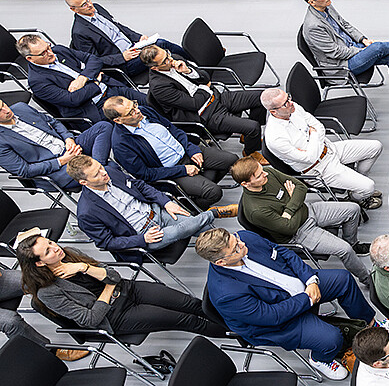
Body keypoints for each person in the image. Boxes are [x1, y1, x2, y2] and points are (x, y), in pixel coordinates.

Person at [196, 228, 378, 381]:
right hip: (276, 323)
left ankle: (368, 323)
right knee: (332, 339)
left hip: (301, 286)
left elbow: (283, 252)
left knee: (343, 279)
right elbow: (271, 316)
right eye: (235, 249)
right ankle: (320, 359)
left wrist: (310, 280)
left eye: (236, 239)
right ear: (220, 262)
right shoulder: (226, 293)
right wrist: (307, 298)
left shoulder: (244, 237)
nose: (242, 244)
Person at [15, 231, 225, 339]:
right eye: (48, 251)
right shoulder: (47, 292)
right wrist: (107, 288)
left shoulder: (70, 255)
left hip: (128, 289)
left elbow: (114, 275)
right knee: (186, 320)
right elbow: (89, 319)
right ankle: (236, 334)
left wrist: (83, 268)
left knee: (192, 304)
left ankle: (238, 322)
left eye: (51, 243)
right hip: (115, 315)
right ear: (39, 262)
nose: (56, 248)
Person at [231, 157, 371, 286]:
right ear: (245, 183)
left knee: (353, 209)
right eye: (259, 175)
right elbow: (290, 228)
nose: (265, 174)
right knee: (344, 250)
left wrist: (288, 210)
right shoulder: (256, 210)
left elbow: (301, 187)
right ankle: (367, 279)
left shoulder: (267, 172)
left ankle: (354, 244)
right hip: (299, 233)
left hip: (309, 210)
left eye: (262, 170)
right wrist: (293, 199)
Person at [66, 155, 227, 261]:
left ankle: (226, 252)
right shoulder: (87, 213)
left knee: (202, 227)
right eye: (96, 174)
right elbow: (107, 242)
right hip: (144, 234)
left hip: (156, 211)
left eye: (100, 167)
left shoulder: (110, 172)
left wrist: (166, 202)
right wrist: (142, 239)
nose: (103, 173)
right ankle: (214, 214)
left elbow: (141, 186)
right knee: (181, 229)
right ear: (84, 183)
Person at [104, 96, 238, 211]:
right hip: (172, 171)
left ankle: (199, 185)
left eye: (134, 105)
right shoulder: (121, 145)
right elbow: (145, 174)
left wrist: (191, 149)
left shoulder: (145, 112)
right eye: (130, 112)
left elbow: (174, 129)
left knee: (232, 160)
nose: (137, 111)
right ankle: (191, 209)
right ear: (118, 120)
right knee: (214, 193)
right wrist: (183, 170)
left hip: (185, 151)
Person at [140, 44, 267, 162]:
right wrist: (205, 87)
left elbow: (205, 77)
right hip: (207, 114)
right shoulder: (159, 86)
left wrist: (188, 71)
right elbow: (194, 104)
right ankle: (250, 152)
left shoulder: (175, 58)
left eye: (167, 54)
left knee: (263, 97)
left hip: (217, 97)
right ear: (154, 67)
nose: (171, 59)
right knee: (253, 127)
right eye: (165, 61)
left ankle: (249, 138)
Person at [261, 88, 383, 210]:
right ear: (273, 112)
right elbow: (310, 158)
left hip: (330, 148)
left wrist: (312, 143)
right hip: (319, 169)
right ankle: (357, 198)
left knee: (375, 147)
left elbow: (319, 126)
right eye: (285, 103)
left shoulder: (293, 108)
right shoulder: (275, 138)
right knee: (369, 187)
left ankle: (356, 189)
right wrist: (313, 134)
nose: (291, 102)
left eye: (288, 97)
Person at [299, 0, 389, 104]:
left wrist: (363, 40)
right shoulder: (313, 27)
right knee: (377, 48)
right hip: (342, 65)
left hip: (352, 47)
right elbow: (336, 52)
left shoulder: (326, 6)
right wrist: (364, 51)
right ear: (312, 2)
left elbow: (345, 25)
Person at [17, 34, 147, 124]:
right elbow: (73, 99)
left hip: (111, 87)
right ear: (29, 58)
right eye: (43, 53)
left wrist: (83, 78)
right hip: (94, 107)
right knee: (134, 119)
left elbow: (93, 59)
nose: (51, 53)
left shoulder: (59, 50)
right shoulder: (37, 82)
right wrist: (95, 82)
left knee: (151, 103)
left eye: (48, 47)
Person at [65, 0, 189, 79]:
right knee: (160, 45)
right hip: (124, 63)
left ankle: (191, 61)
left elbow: (118, 27)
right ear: (74, 9)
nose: (90, 5)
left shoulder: (97, 8)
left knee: (159, 43)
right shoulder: (79, 32)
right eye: (84, 5)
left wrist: (138, 37)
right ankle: (193, 65)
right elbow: (93, 60)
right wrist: (122, 57)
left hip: (134, 46)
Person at [0, 99, 112, 191]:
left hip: (69, 147)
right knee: (110, 170)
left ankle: (97, 166)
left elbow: (54, 122)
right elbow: (25, 171)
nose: (6, 110)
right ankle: (98, 169)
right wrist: (63, 160)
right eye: (0, 111)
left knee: (103, 126)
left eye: (4, 104)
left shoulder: (21, 107)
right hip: (57, 169)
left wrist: (69, 139)